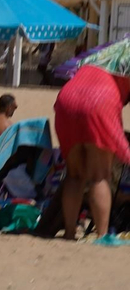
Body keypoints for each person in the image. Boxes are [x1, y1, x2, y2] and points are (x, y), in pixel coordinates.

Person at [51, 63, 130, 240]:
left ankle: (70, 232)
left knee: (74, 174)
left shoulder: (99, 61)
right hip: (100, 101)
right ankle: (102, 235)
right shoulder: (126, 67)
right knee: (99, 175)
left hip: (67, 101)